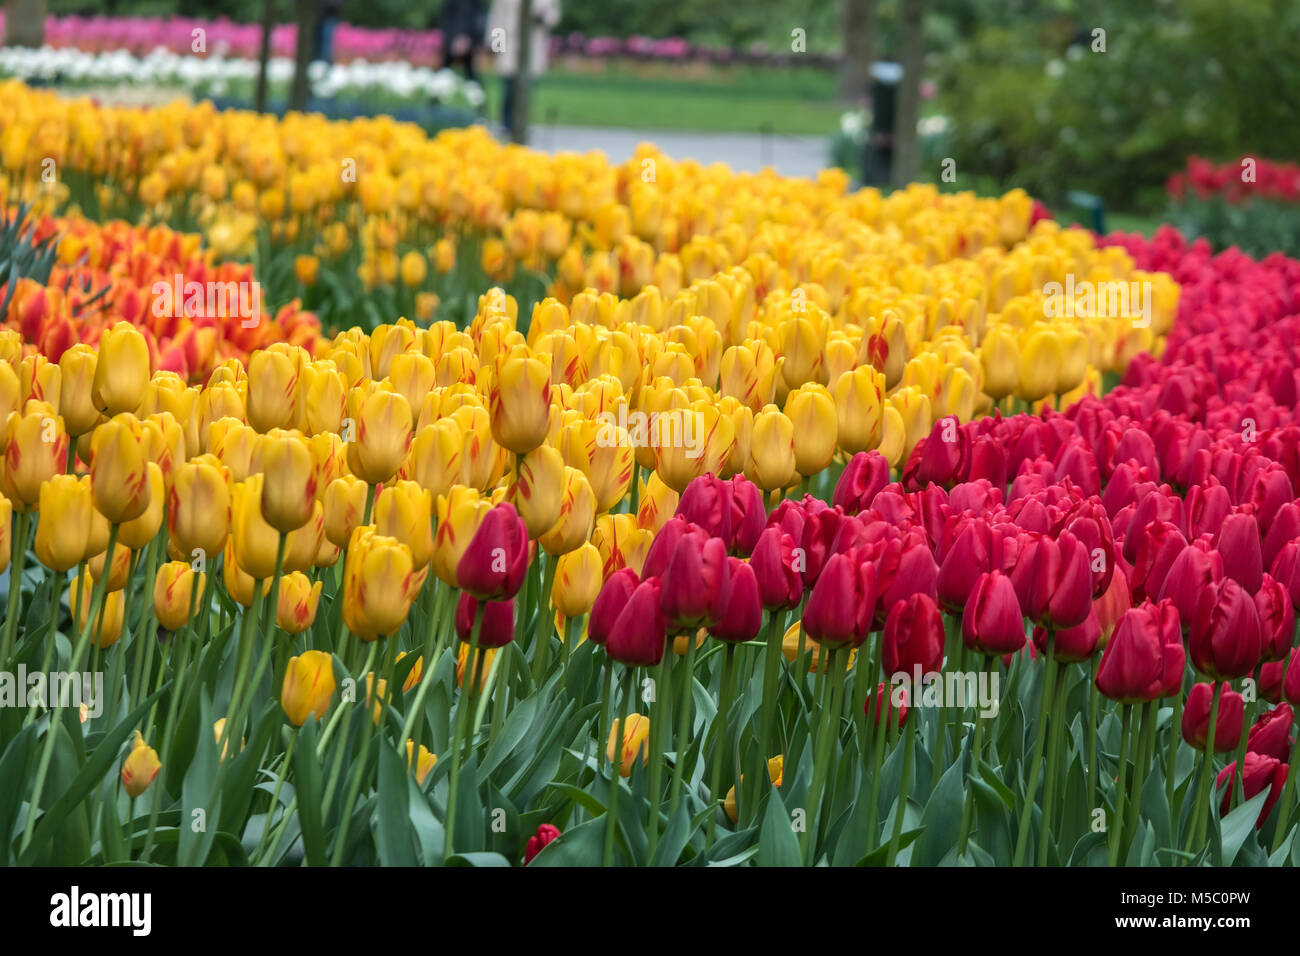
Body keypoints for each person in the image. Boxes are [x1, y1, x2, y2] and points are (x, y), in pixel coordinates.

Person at [487, 0, 561, 134]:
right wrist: (496, 46)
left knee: (527, 90)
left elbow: (554, 17)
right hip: (509, 46)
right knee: (509, 89)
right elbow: (498, 18)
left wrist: (542, 17)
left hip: (533, 47)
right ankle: (506, 125)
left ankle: (521, 125)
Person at [440, 0, 487, 84]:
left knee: (470, 76)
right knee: (444, 74)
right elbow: (447, 19)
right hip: (453, 41)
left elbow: (478, 19)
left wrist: (468, 39)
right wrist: (455, 38)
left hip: (468, 41)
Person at [314, 0, 343, 65]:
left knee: (326, 41)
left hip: (330, 13)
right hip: (317, 14)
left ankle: (325, 62)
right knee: (318, 41)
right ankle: (319, 62)